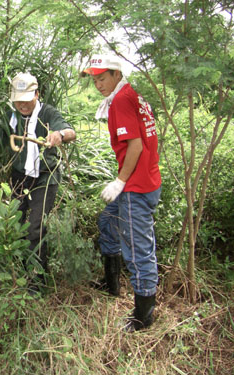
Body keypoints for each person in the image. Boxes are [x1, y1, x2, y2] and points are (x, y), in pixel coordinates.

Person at [82, 55, 162, 331]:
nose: (98, 85)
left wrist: (120, 181)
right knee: (107, 223)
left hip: (135, 188)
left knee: (138, 252)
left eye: (102, 78)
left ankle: (143, 318)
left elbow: (136, 146)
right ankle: (111, 284)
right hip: (143, 181)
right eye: (94, 80)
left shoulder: (121, 100)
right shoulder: (133, 94)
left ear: (117, 74)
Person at [0, 72, 76, 293]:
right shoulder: (12, 115)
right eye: (18, 99)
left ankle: (37, 282)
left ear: (37, 94)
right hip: (20, 175)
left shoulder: (48, 113)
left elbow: (70, 131)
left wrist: (59, 135)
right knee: (14, 222)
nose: (22, 104)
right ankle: (18, 273)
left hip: (45, 176)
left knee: (35, 227)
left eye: (27, 98)